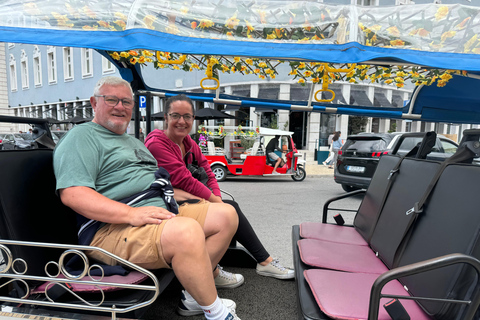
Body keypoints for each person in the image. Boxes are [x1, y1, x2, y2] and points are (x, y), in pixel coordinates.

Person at [53, 77, 242, 320]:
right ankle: (216, 313)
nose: (120, 107)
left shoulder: (133, 142)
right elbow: (73, 194)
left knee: (225, 214)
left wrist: (196, 200)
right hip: (112, 227)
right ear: (94, 103)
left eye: (126, 102)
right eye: (111, 99)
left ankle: (196, 297)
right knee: (186, 231)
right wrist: (131, 214)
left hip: (155, 211)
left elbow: (156, 183)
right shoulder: (81, 138)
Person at [145, 94, 294, 282]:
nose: (181, 121)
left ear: (193, 119)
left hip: (186, 200)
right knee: (228, 209)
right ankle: (217, 273)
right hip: (165, 205)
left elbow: (207, 171)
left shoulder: (188, 143)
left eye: (187, 116)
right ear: (165, 118)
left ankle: (224, 268)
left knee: (228, 207)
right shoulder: (157, 143)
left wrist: (216, 197)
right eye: (175, 116)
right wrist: (217, 202)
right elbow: (184, 180)